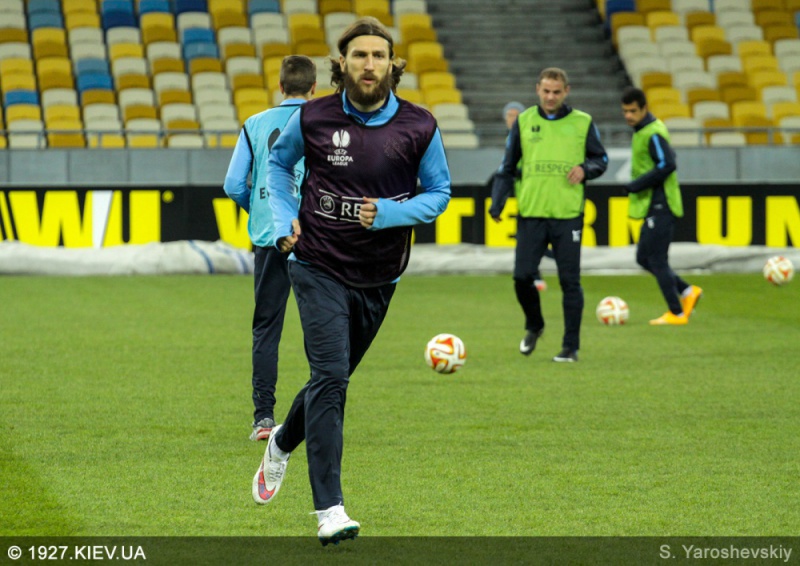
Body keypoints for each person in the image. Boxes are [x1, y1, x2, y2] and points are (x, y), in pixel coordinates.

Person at [251, 17, 451, 545]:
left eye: (378, 56)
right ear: (341, 64)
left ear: (392, 64)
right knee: (332, 377)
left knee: (329, 381)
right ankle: (330, 510)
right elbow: (278, 166)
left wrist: (387, 213)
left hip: (380, 276)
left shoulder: (420, 126)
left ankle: (281, 443)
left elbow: (439, 194)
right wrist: (284, 218)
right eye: (359, 55)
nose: (369, 64)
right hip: (316, 264)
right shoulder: (314, 116)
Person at [222, 55, 317, 442]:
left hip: (269, 238)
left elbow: (233, 184)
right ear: (314, 88)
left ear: (280, 86)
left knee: (266, 329)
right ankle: (322, 412)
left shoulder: (255, 124)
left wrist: (260, 211)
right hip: (314, 239)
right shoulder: (324, 121)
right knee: (324, 329)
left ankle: (263, 418)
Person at [490, 67, 608, 362]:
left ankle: (570, 347)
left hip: (568, 214)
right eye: (546, 91)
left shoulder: (582, 122)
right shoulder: (524, 121)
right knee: (521, 277)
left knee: (570, 282)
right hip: (531, 213)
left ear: (566, 91)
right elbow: (507, 166)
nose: (551, 97)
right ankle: (535, 324)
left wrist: (586, 169)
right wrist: (498, 201)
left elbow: (601, 159)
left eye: (556, 92)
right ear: (537, 90)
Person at [620, 87, 703, 325]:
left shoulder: (653, 133)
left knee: (656, 258)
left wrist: (636, 185)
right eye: (625, 111)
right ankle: (687, 291)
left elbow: (667, 164)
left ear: (644, 108)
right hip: (653, 204)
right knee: (643, 257)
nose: (628, 116)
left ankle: (676, 312)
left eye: (632, 111)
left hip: (662, 203)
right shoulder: (643, 131)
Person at [501, 101, 549, 293]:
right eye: (509, 115)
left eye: (516, 115)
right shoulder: (511, 138)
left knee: (531, 237)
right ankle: (532, 274)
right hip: (524, 196)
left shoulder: (531, 136)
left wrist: (518, 171)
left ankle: (533, 275)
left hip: (536, 194)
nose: (512, 119)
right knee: (528, 238)